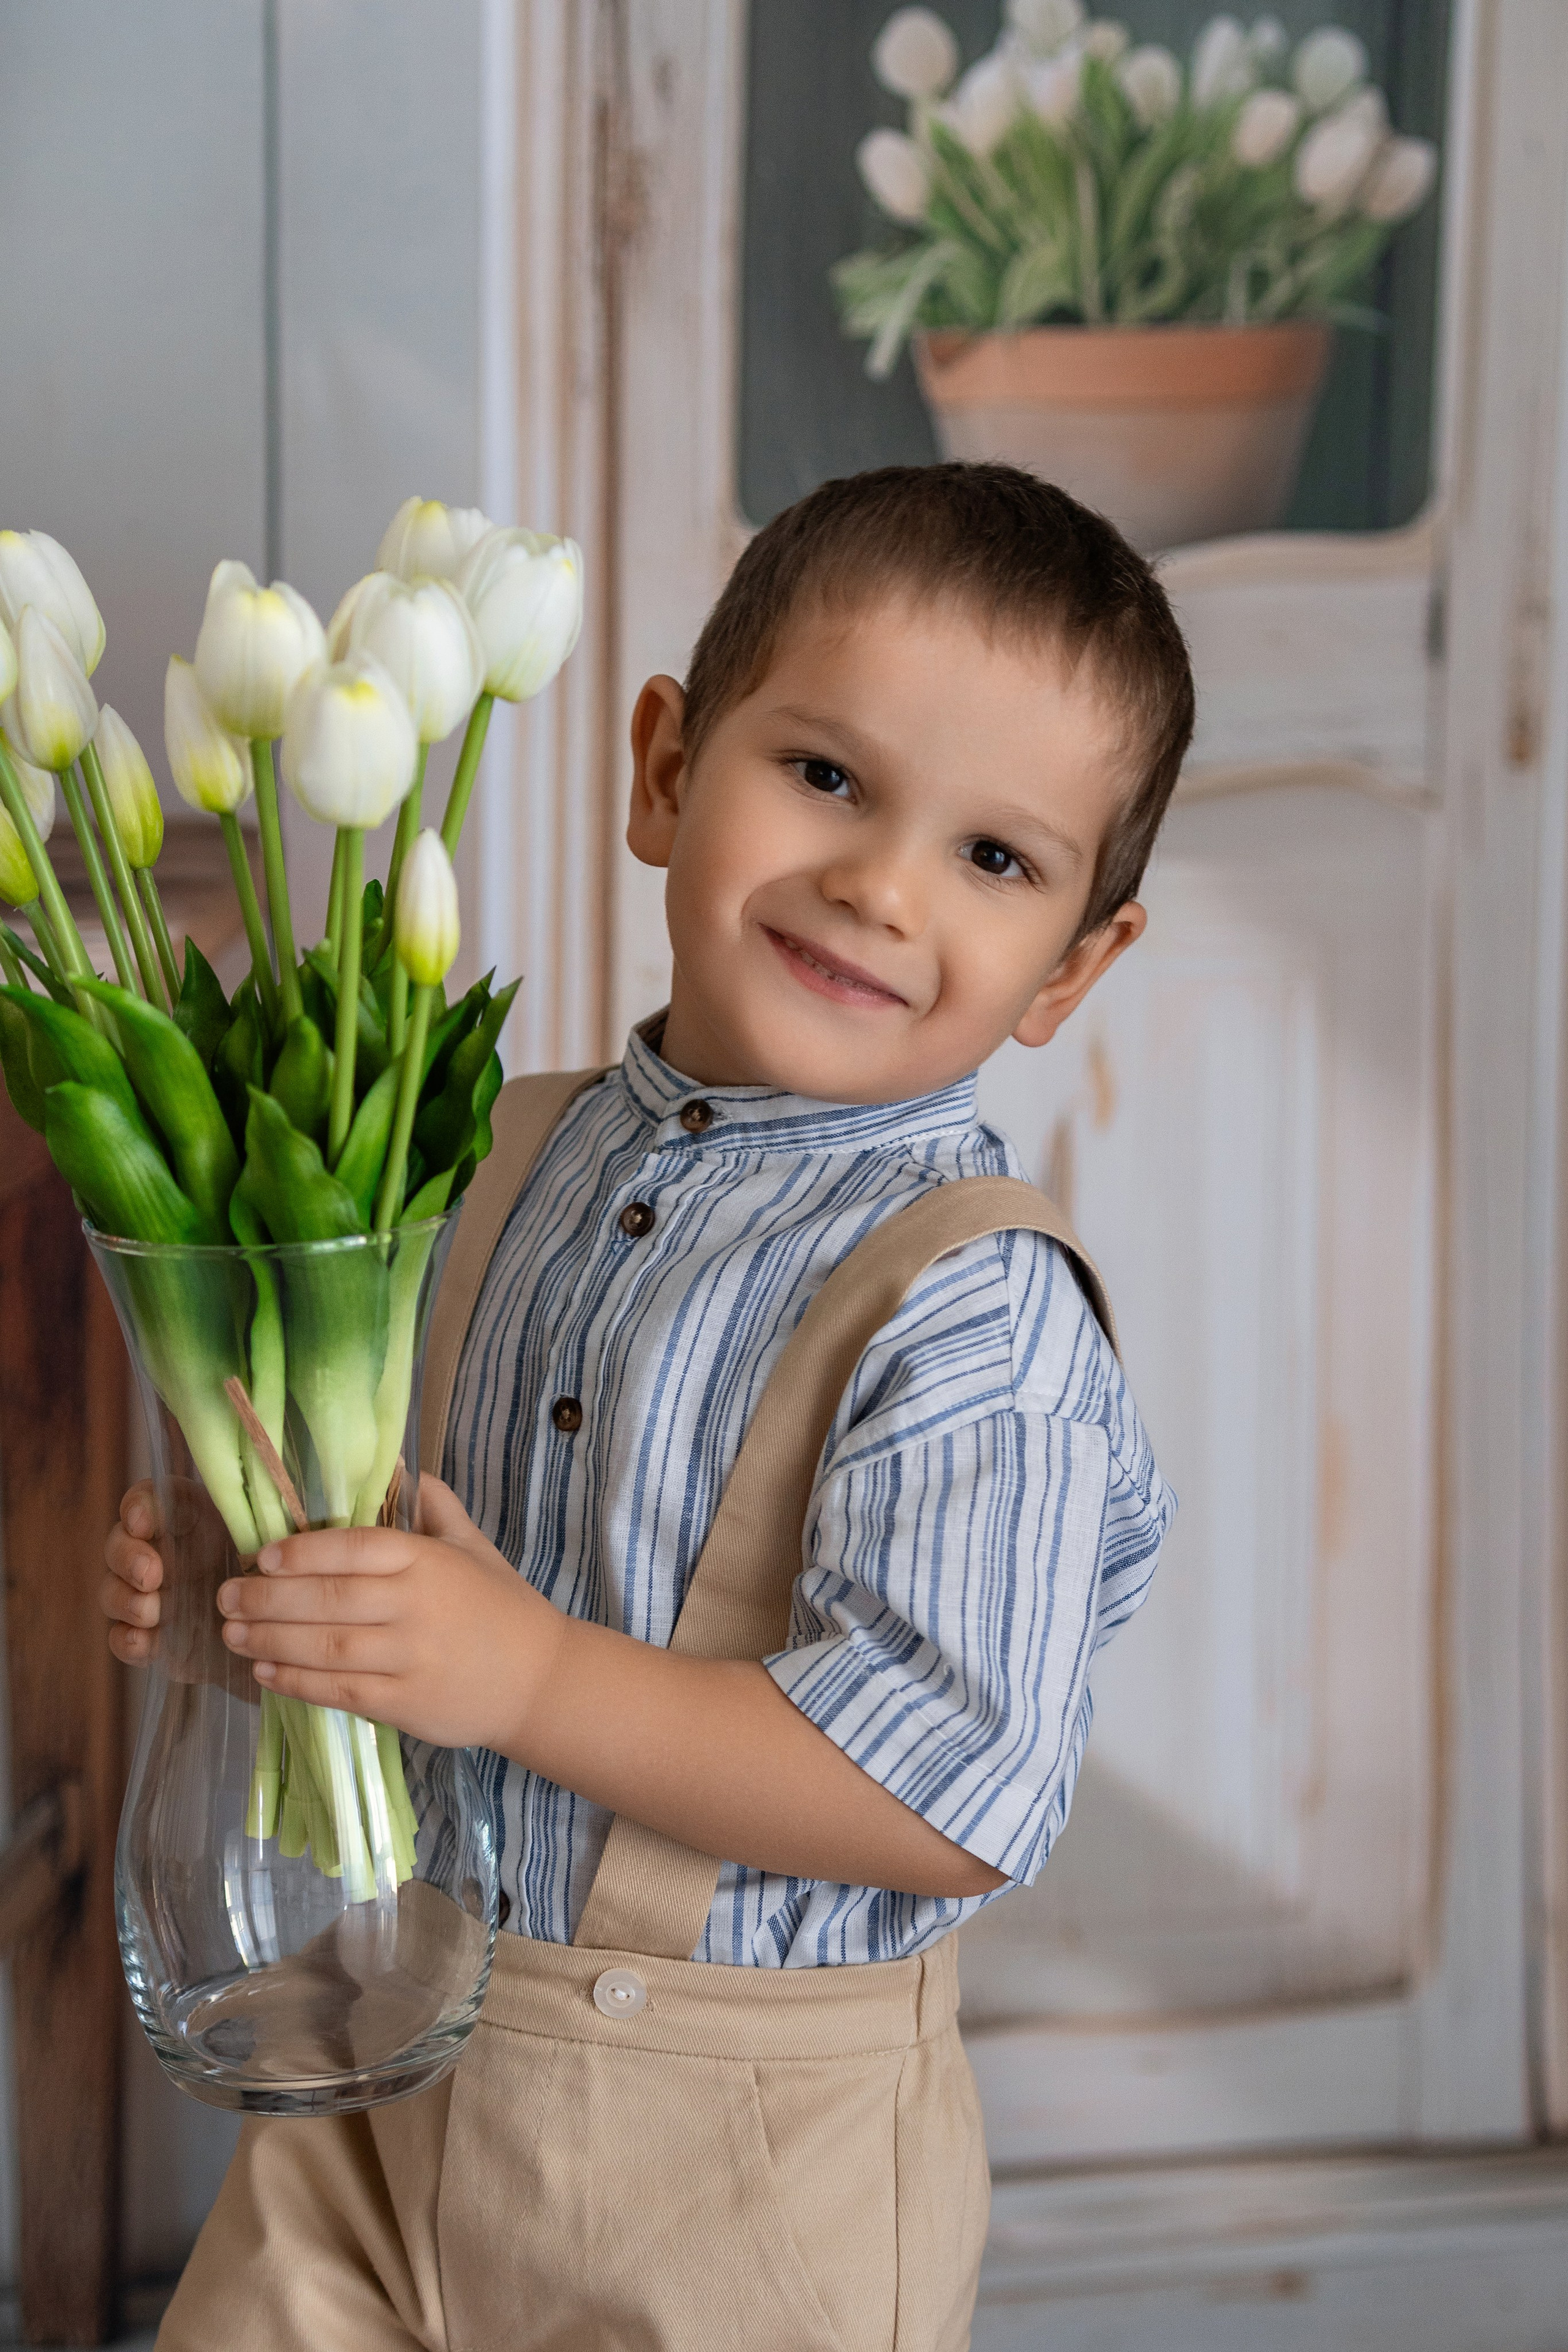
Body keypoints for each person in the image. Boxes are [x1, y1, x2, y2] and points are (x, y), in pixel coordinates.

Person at [102, 462, 1192, 2351]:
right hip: (383, 2061)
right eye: (830, 777)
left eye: (995, 860)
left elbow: (950, 1785)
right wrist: (261, 1596)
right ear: (665, 770)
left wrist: (520, 1680)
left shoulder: (975, 1315)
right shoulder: (472, 1153)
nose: (879, 884)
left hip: (742, 2178)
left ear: (1075, 966)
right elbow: (428, 1562)